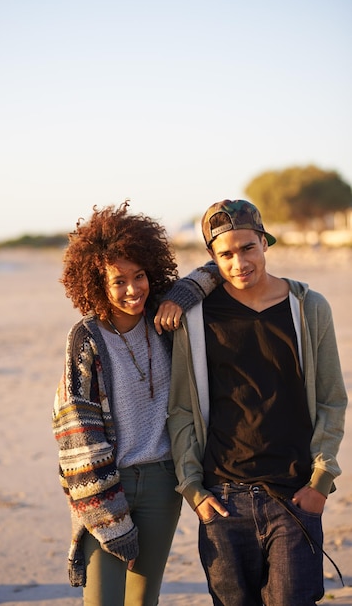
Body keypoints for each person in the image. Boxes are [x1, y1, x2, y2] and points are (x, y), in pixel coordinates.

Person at [166, 199, 348, 606]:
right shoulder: (196, 318)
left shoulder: (308, 308)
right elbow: (180, 409)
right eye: (225, 254)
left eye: (248, 248)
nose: (239, 262)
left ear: (265, 242)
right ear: (212, 260)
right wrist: (193, 489)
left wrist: (320, 481)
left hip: (293, 494)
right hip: (222, 500)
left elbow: (333, 400)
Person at [52, 201, 220, 606]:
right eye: (118, 281)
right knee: (103, 601)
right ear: (96, 283)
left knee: (143, 601)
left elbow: (216, 269)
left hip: (164, 482)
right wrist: (110, 517)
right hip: (108, 484)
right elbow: (78, 432)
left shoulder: (163, 319)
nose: (133, 289)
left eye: (140, 275)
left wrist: (179, 294)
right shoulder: (87, 339)